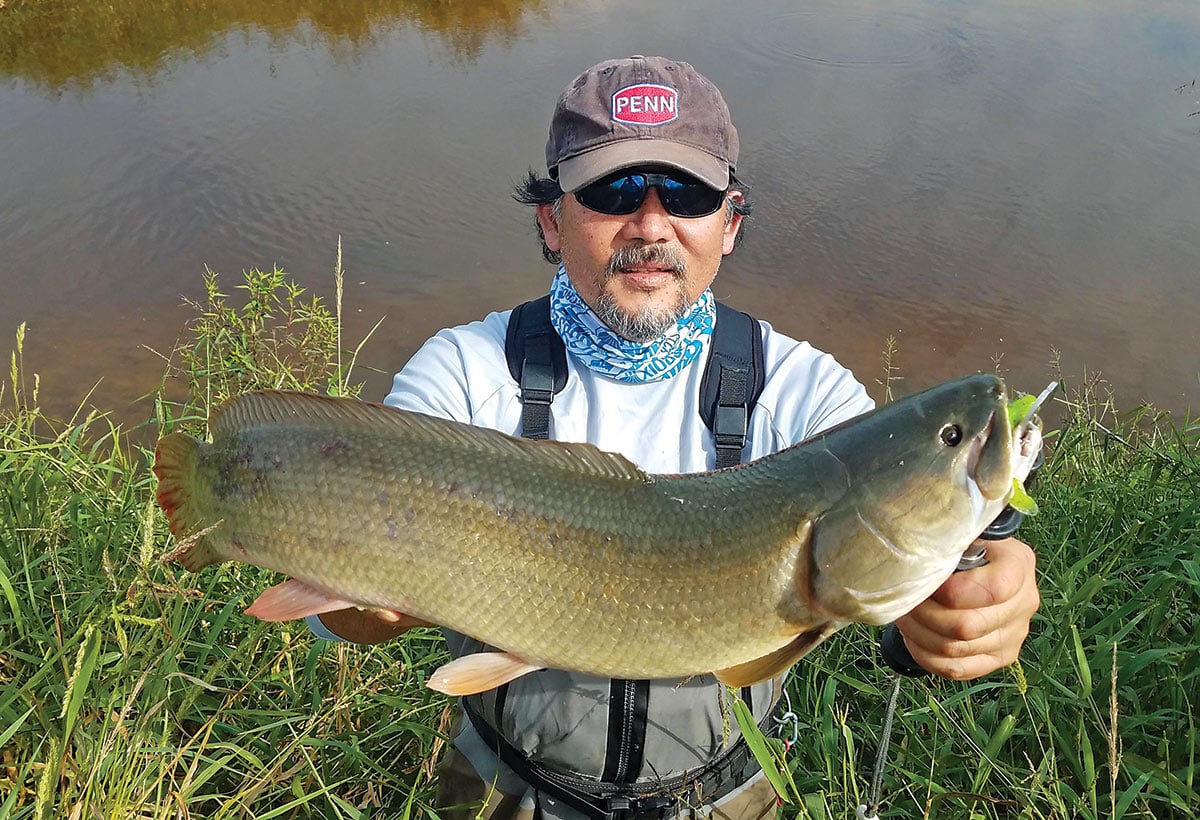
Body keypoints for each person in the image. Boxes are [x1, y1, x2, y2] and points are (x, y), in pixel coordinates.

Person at [308, 55, 1041, 820]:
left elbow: (898, 518)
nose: (651, 224)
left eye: (685, 193)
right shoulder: (465, 373)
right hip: (503, 790)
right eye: (613, 190)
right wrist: (375, 600)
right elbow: (339, 619)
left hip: (725, 796)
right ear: (552, 220)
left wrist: (982, 572)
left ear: (729, 225)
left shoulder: (799, 389)